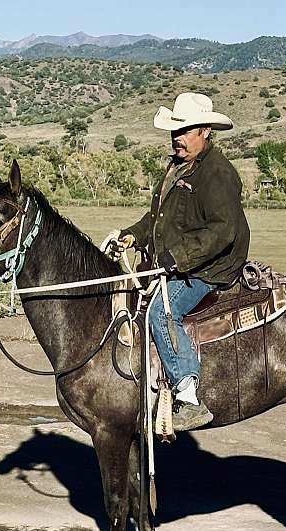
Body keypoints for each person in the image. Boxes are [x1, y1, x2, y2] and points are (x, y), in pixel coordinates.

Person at [105, 92, 250, 431]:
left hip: (210, 268)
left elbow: (223, 230)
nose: (178, 137)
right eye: (175, 130)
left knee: (162, 310)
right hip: (177, 262)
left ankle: (187, 395)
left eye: (186, 130)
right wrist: (132, 235)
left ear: (206, 132)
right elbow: (157, 219)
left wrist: (175, 258)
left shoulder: (217, 173)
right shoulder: (177, 167)